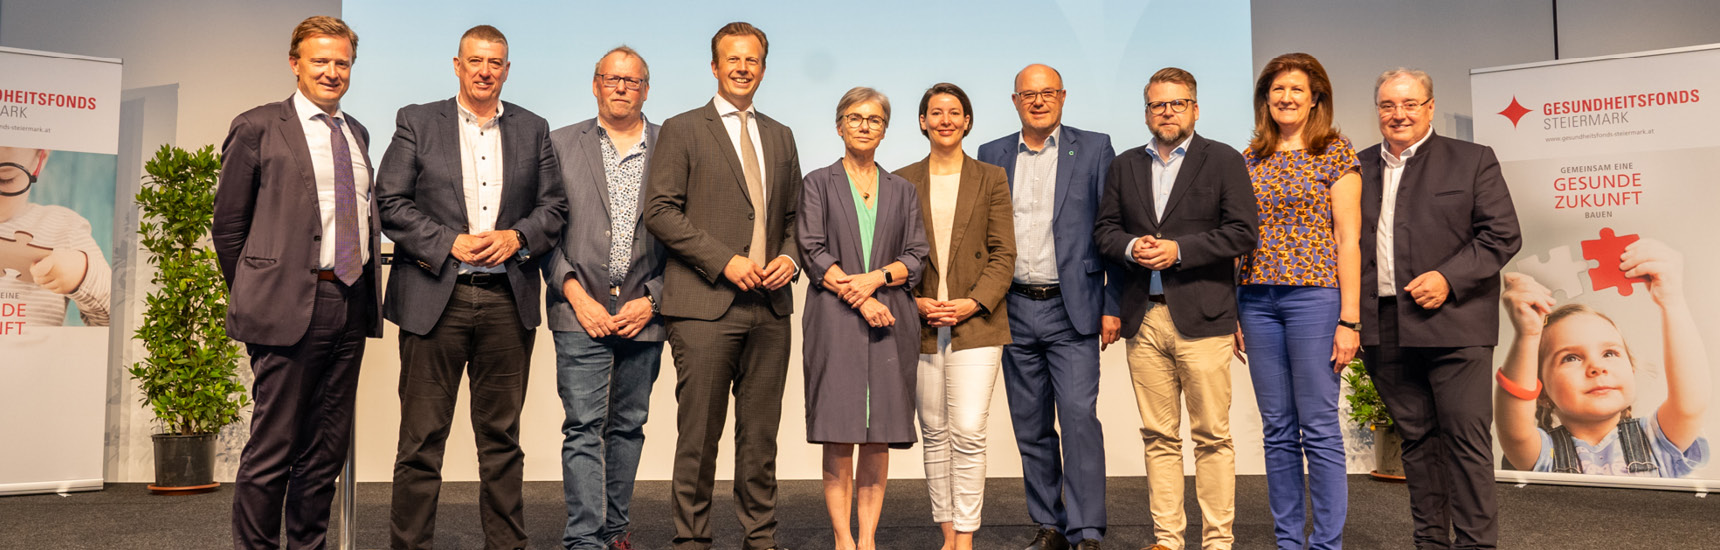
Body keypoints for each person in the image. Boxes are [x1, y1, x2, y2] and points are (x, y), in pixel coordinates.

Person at [376, 25, 567, 550]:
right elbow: (389, 201)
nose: (486, 70)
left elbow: (554, 209)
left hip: (508, 300)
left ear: (507, 69)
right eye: (476, 61)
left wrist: (517, 236)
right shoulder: (417, 121)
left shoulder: (533, 127)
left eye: (496, 63)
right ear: (457, 65)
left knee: (502, 441)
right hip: (435, 297)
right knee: (420, 443)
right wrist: (449, 242)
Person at [212, 16, 381, 550]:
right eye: (321, 61)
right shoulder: (259, 125)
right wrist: (258, 288)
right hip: (285, 307)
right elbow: (229, 226)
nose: (332, 72)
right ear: (295, 64)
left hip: (349, 301)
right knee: (273, 447)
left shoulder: (357, 133)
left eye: (342, 63)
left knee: (326, 450)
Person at [643, 21, 802, 550]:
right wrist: (725, 261)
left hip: (770, 309)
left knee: (759, 441)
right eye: (732, 59)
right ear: (714, 67)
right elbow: (660, 212)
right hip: (704, 307)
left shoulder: (781, 134)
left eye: (751, 60)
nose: (741, 67)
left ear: (762, 67)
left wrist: (790, 257)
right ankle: (692, 541)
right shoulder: (683, 128)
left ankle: (761, 539)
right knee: (699, 438)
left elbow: (796, 218)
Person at [1093, 67, 1258, 550]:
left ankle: (1217, 541)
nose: (1167, 112)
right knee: (1158, 437)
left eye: (1176, 103)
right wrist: (1130, 247)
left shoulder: (1223, 159)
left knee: (1211, 436)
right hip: (1143, 318)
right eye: (1157, 105)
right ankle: (1168, 539)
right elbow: (1104, 231)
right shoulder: (1125, 165)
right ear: (1146, 111)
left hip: (1204, 318)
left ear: (1195, 109)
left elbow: (1243, 232)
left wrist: (1179, 250)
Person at [1358, 68, 1521, 550]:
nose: (1398, 114)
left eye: (1409, 103)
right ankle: (1430, 542)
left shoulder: (1472, 160)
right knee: (1417, 443)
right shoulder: (1356, 166)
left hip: (1456, 326)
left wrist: (1449, 277)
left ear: (1429, 106)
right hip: (1383, 327)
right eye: (1388, 105)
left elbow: (1502, 234)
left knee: (1466, 445)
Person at [976, 63, 1115, 550]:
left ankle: (1087, 529)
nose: (1039, 101)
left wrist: (1111, 303)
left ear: (1063, 96)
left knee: (1079, 418)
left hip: (1071, 307)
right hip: (1012, 307)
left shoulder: (1095, 147)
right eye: (1028, 94)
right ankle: (1050, 524)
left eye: (1048, 92)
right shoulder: (991, 154)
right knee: (1030, 425)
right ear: (1015, 100)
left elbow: (1110, 230)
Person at [1234, 53, 1360, 550]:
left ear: (1315, 99)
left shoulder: (1335, 152)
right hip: (1256, 299)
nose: (1286, 98)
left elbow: (1348, 239)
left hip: (1315, 298)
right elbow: (1238, 238)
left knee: (1319, 425)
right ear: (1266, 99)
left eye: (1296, 90)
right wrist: (1233, 310)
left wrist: (1349, 319)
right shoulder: (1250, 157)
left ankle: (1327, 543)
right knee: (1278, 429)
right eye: (1277, 90)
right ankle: (1289, 541)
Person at [542, 46, 663, 550]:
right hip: (578, 311)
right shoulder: (558, 144)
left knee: (628, 426)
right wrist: (574, 294)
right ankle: (584, 539)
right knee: (583, 428)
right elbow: (543, 229)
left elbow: (689, 233)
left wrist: (654, 299)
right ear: (595, 85)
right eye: (611, 79)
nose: (620, 88)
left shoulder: (671, 145)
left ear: (645, 90)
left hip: (645, 313)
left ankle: (615, 530)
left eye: (631, 81)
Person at [797, 86, 928, 550]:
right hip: (835, 320)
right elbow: (812, 251)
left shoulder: (903, 190)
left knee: (878, 439)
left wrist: (876, 281)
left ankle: (868, 541)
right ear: (839, 126)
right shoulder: (817, 183)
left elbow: (916, 256)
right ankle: (843, 540)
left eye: (874, 119)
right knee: (839, 435)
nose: (865, 126)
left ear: (886, 130)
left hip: (891, 320)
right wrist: (861, 296)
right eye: (855, 118)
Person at [895, 83, 1015, 550]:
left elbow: (1004, 253)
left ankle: (965, 536)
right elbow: (893, 253)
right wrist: (915, 300)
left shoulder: (992, 178)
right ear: (922, 121)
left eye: (955, 112)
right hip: (921, 321)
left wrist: (973, 302)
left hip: (977, 321)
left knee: (967, 429)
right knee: (935, 430)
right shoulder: (901, 180)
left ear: (967, 121)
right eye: (935, 112)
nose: (945, 119)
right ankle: (946, 534)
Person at [1498, 239, 1709, 477]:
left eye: (1610, 353)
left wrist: (1672, 302)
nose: (1596, 367)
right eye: (1571, 358)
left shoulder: (1657, 440)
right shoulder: (1543, 455)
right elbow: (1513, 430)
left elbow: (1691, 402)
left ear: (1632, 370)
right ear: (1542, 393)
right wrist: (1527, 335)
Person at [0, 147, 111, 328]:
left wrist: (82, 274)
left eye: (4, 179)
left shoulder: (64, 228)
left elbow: (118, 321)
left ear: (40, 159)